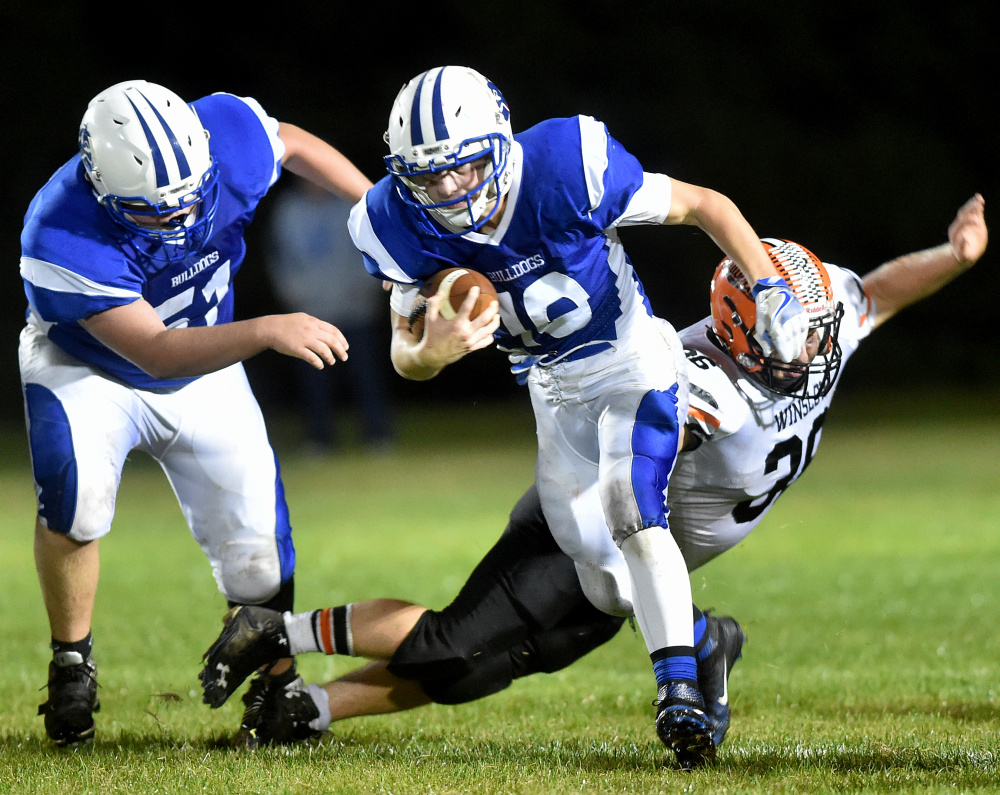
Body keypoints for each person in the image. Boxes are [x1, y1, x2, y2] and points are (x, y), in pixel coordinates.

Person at [198, 195, 987, 763]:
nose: (806, 357)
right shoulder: (691, 375)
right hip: (590, 532)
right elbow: (621, 419)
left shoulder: (818, 317)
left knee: (481, 669)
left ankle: (309, 708)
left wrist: (952, 257)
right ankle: (279, 632)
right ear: (736, 329)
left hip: (637, 575)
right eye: (785, 344)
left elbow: (876, 293)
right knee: (452, 643)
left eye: (810, 337)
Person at [202, 65, 810, 767]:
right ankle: (704, 644)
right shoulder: (391, 222)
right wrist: (435, 351)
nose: (449, 191)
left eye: (463, 170)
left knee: (629, 503)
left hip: (630, 361)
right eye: (428, 178)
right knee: (605, 580)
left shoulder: (564, 167)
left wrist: (767, 284)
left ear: (499, 141)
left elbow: (705, 203)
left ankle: (678, 693)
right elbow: (405, 358)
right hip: (551, 394)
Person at [18, 79, 373, 748]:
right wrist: (267, 329)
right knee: (76, 499)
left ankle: (276, 680)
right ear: (101, 188)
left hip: (203, 357)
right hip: (91, 367)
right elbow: (155, 351)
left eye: (190, 199)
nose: (180, 220)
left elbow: (292, 144)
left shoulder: (228, 136)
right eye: (154, 212)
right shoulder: (59, 233)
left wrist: (375, 209)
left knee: (259, 555)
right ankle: (72, 663)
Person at [264, 180, 395, 453]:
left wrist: (365, 289)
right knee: (315, 378)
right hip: (312, 312)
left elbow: (368, 248)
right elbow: (279, 256)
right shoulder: (289, 210)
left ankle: (378, 435)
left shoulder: (349, 204)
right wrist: (292, 294)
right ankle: (319, 439)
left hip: (354, 307)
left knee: (366, 375)